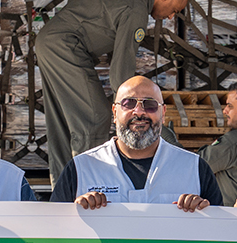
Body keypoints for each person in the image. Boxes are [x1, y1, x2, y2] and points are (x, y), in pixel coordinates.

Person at [35, 0, 189, 179]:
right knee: (95, 117)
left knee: (62, 121)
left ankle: (63, 190)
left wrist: (80, 23)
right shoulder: (137, 10)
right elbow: (121, 75)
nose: (171, 17)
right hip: (67, 47)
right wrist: (135, 107)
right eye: (175, 11)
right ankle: (89, 185)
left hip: (50, 40)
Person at [50, 76, 222, 212]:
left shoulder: (195, 168)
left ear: (163, 113)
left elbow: (221, 236)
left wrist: (204, 214)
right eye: (128, 103)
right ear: (115, 112)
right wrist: (74, 215)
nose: (139, 112)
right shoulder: (81, 169)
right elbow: (53, 233)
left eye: (150, 105)